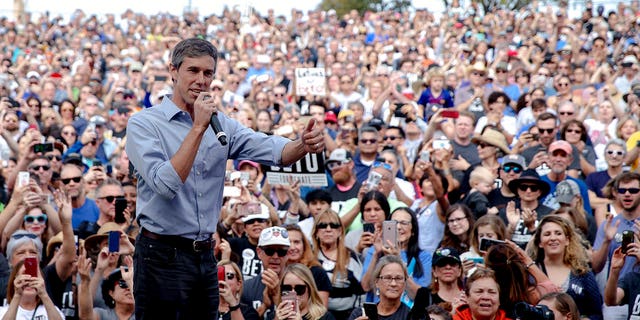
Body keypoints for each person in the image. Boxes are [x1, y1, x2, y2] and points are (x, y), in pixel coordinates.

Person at [125, 38, 324, 319]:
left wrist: (302, 144)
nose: (201, 80)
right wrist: (197, 127)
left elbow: (273, 150)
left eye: (208, 73)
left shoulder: (222, 124)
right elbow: (165, 184)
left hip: (205, 256)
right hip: (160, 255)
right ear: (173, 71)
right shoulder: (144, 124)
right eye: (193, 71)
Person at [526, 216, 603, 320]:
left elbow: (596, 313)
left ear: (567, 240)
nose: (553, 238)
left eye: (558, 233)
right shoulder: (530, 271)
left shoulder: (582, 272)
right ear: (540, 242)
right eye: (547, 234)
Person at [361, 207, 431, 307]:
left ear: (413, 231)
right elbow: (366, 287)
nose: (398, 227)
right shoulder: (375, 251)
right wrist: (376, 254)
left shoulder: (424, 257)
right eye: (394, 223)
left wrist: (398, 259)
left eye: (404, 223)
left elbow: (418, 295)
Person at [312, 210, 364, 319]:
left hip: (348, 316)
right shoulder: (309, 256)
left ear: (340, 231)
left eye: (333, 225)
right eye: (323, 225)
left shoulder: (350, 257)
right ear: (316, 232)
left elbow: (361, 291)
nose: (328, 229)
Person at [347, 255, 412, 320]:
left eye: (398, 278)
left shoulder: (411, 316)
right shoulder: (360, 314)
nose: (393, 284)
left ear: (405, 282)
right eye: (388, 278)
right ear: (377, 282)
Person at [0, 259, 65, 319]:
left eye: (34, 274)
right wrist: (17, 295)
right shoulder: (2, 311)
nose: (29, 279)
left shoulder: (52, 310)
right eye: (24, 274)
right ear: (15, 280)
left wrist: (44, 294)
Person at [284, 224, 331, 306]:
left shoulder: (317, 272)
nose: (292, 247)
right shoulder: (277, 270)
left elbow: (322, 310)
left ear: (304, 245)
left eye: (296, 242)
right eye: (287, 243)